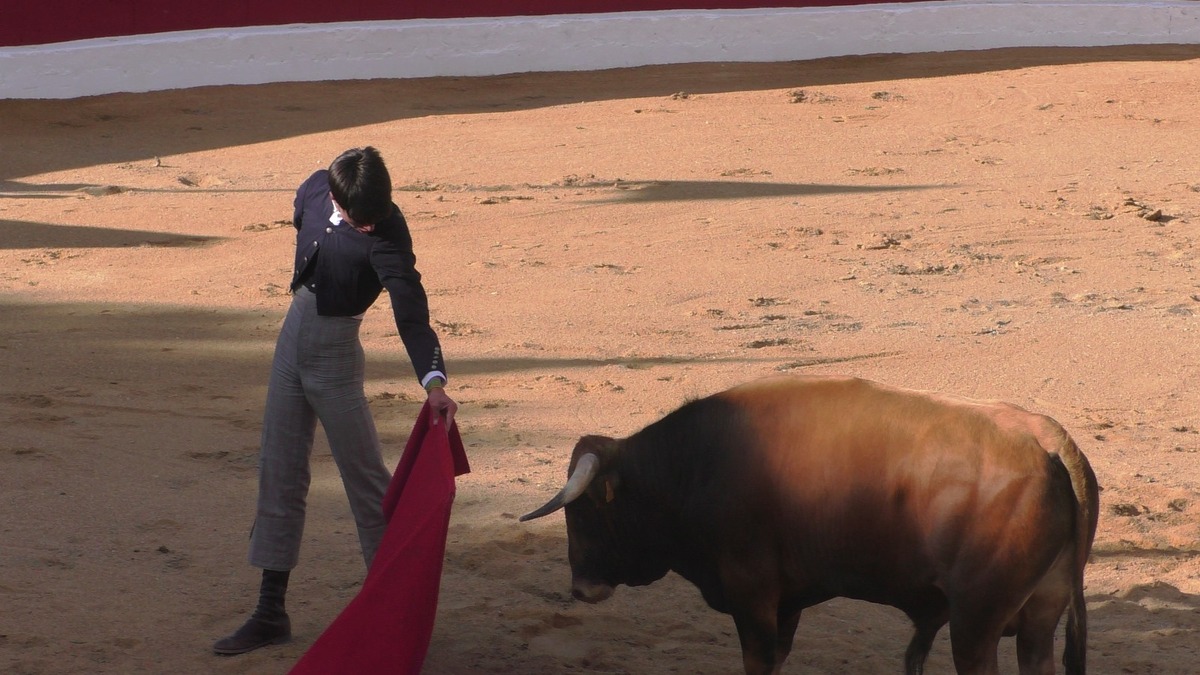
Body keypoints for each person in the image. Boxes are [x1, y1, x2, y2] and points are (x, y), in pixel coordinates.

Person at [213, 146, 458, 655]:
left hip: (336, 358)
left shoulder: (388, 233)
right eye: (357, 218)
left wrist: (434, 383)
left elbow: (411, 311)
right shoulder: (313, 187)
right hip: (291, 340)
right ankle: (270, 611)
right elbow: (302, 217)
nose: (367, 227)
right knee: (279, 469)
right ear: (335, 196)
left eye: (374, 218)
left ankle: (394, 612)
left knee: (368, 481)